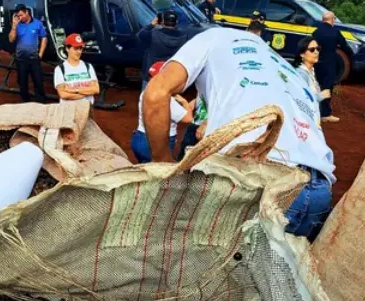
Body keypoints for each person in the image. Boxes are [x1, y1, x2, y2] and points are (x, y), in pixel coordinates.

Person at [142, 27, 335, 241]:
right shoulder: (281, 66)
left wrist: (163, 163)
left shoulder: (210, 38)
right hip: (319, 189)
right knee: (285, 268)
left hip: (260, 180)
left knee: (207, 255)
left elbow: (155, 94)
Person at [132, 61, 195, 164]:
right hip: (156, 143)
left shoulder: (146, 92)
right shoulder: (166, 100)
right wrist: (184, 102)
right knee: (159, 175)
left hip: (139, 138)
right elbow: (188, 118)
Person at [137, 10, 194, 88]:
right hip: (171, 74)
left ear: (162, 21)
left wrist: (151, 25)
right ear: (176, 22)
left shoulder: (153, 33)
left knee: (146, 98)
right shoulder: (184, 37)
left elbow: (140, 35)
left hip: (152, 75)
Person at [311, 11, 348, 123]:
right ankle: (325, 114)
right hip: (329, 63)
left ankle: (313, 111)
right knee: (327, 87)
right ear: (332, 20)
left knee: (316, 86)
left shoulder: (316, 32)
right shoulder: (335, 31)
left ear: (323, 19)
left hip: (316, 62)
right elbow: (344, 45)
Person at [8, 4, 48, 103]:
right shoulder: (17, 25)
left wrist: (41, 54)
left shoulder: (37, 24)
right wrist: (14, 26)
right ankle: (26, 103)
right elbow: (11, 39)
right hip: (21, 59)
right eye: (18, 16)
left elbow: (44, 37)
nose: (20, 18)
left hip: (34, 58)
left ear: (27, 12)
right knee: (22, 84)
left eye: (21, 15)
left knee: (38, 82)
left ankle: (41, 104)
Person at [53, 34, 100, 104]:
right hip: (68, 109)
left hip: (87, 109)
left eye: (80, 48)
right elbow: (63, 94)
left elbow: (96, 89)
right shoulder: (59, 69)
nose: (79, 51)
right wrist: (86, 93)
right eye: (75, 48)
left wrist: (74, 90)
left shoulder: (88, 66)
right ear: (67, 49)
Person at [294, 37, 330, 113]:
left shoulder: (311, 70)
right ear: (302, 54)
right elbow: (300, 99)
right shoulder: (301, 74)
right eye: (312, 50)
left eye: (318, 48)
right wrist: (320, 96)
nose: (316, 52)